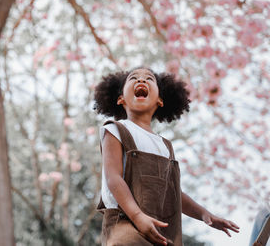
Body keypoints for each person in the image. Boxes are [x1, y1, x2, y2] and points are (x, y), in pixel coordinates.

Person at [93, 67, 240, 246]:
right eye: (133, 78)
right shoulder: (116, 129)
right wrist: (138, 217)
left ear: (160, 100)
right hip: (126, 225)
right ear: (120, 99)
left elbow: (173, 192)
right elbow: (113, 178)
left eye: (149, 78)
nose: (141, 80)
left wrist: (204, 214)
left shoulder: (165, 146)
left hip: (162, 231)